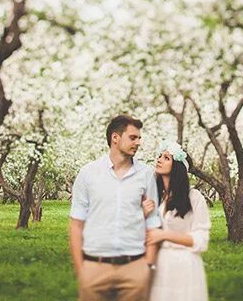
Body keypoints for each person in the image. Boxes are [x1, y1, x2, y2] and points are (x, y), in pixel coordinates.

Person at [69, 114, 161, 301]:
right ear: (115, 138)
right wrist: (81, 270)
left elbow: (153, 221)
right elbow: (76, 224)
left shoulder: (146, 174)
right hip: (95, 267)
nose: (138, 142)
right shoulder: (88, 173)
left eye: (139, 138)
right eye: (133, 137)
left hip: (134, 268)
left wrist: (148, 265)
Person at [144, 142, 211, 301]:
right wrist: (144, 215)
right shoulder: (156, 197)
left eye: (166, 158)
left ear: (177, 167)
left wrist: (165, 235)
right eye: (160, 156)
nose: (159, 159)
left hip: (185, 265)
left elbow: (201, 240)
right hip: (160, 265)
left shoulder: (193, 198)